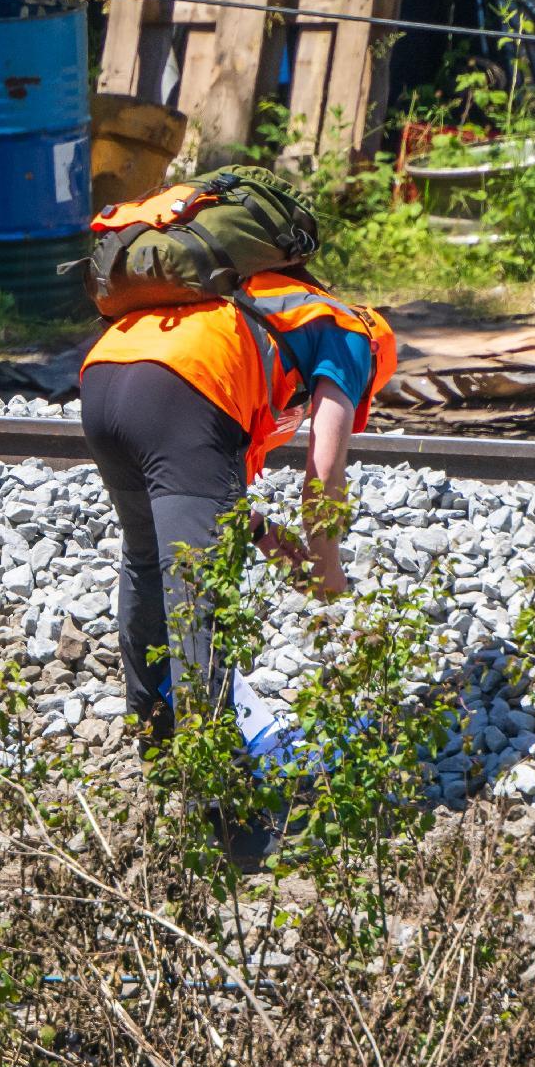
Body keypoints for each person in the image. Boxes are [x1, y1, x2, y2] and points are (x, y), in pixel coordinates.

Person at [78, 183, 397, 754]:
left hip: (103, 377)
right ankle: (215, 789)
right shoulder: (351, 336)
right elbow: (322, 476)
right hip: (184, 390)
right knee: (197, 587)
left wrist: (267, 537)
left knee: (149, 557)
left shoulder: (235, 296)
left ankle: (154, 740)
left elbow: (200, 491)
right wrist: (327, 570)